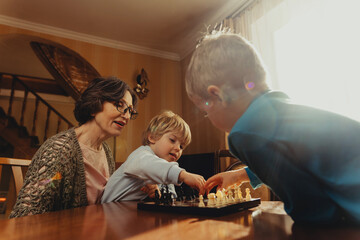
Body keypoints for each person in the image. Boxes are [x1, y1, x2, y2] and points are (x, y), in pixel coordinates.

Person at [185, 31, 360, 225]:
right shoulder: (283, 114)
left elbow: (313, 212)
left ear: (218, 96)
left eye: (206, 111)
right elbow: (294, 159)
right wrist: (239, 175)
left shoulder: (244, 133)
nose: (208, 117)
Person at [9, 76, 138, 218]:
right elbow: (27, 212)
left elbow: (106, 201)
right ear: (95, 105)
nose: (126, 116)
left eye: (130, 111)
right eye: (120, 105)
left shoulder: (105, 151)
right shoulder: (60, 150)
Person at [102, 110, 205, 203]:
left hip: (131, 212)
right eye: (172, 140)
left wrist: (157, 194)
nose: (178, 148)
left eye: (182, 146)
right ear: (152, 138)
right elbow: (150, 166)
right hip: (108, 210)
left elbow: (170, 197)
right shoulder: (141, 155)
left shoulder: (166, 168)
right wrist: (183, 175)